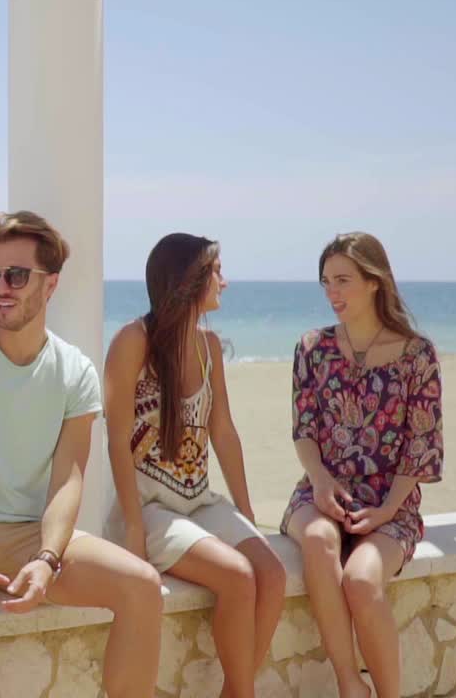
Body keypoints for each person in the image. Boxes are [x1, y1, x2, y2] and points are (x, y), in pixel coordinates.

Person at [0, 211, 165, 698]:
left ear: (51, 284)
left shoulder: (75, 371)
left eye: (17, 275)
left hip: (31, 535)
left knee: (143, 585)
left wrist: (47, 557)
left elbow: (69, 479)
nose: (2, 287)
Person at [104, 233, 285, 697]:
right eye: (217, 271)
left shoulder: (209, 348)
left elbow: (223, 432)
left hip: (198, 500)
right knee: (237, 576)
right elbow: (117, 440)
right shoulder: (132, 342)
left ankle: (233, 691)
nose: (225, 281)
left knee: (273, 572)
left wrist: (245, 514)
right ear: (190, 281)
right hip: (149, 508)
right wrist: (132, 526)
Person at [281, 232, 443, 698]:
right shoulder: (311, 347)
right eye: (326, 282)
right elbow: (305, 430)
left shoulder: (418, 354)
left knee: (361, 578)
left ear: (375, 281)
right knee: (316, 539)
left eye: (343, 281)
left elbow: (422, 442)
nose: (332, 293)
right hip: (322, 488)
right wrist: (320, 480)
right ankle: (350, 683)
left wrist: (390, 509)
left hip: (391, 501)